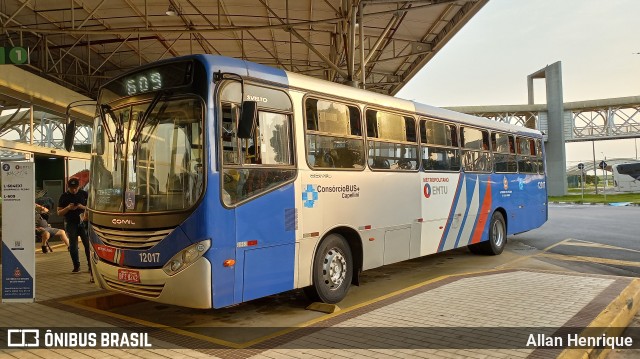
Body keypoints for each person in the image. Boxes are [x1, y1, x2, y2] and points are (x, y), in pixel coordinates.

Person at [57, 177, 91, 274]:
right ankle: (76, 266)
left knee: (87, 245)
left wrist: (81, 207)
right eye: (72, 188)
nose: (74, 190)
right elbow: (59, 213)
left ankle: (90, 266)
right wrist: (68, 208)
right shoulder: (64, 196)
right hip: (71, 223)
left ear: (79, 186)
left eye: (76, 187)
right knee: (73, 246)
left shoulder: (84, 194)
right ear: (68, 187)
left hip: (83, 222)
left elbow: (91, 208)